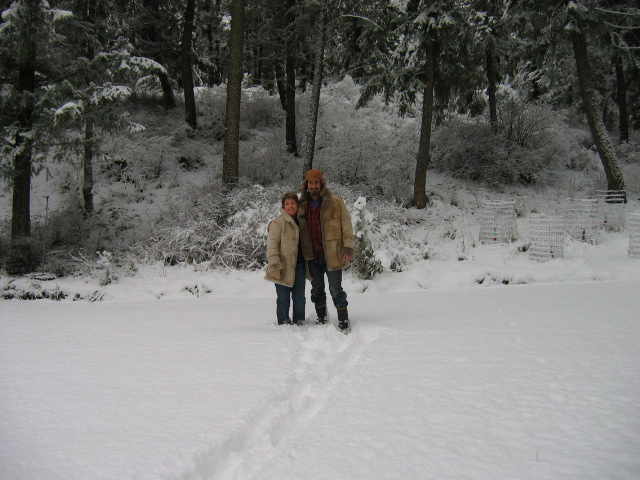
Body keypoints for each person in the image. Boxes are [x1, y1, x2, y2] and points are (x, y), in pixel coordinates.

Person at [299, 169, 355, 332]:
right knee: (316, 289)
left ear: (321, 184)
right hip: (312, 255)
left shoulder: (336, 202)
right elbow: (288, 222)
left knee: (336, 289)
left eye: (316, 182)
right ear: (307, 185)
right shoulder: (302, 204)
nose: (314, 186)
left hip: (333, 254)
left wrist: (348, 249)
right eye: (311, 183)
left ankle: (343, 319)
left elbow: (346, 226)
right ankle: (322, 317)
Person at [264, 192, 312, 325]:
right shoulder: (277, 223)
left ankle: (299, 322)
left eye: (292, 203)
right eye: (287, 204)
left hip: (300, 266)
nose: (290, 206)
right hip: (282, 266)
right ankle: (283, 323)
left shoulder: (303, 221)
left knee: (299, 298)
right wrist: (274, 265)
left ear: (297, 205)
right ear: (283, 206)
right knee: (283, 298)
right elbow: (272, 246)